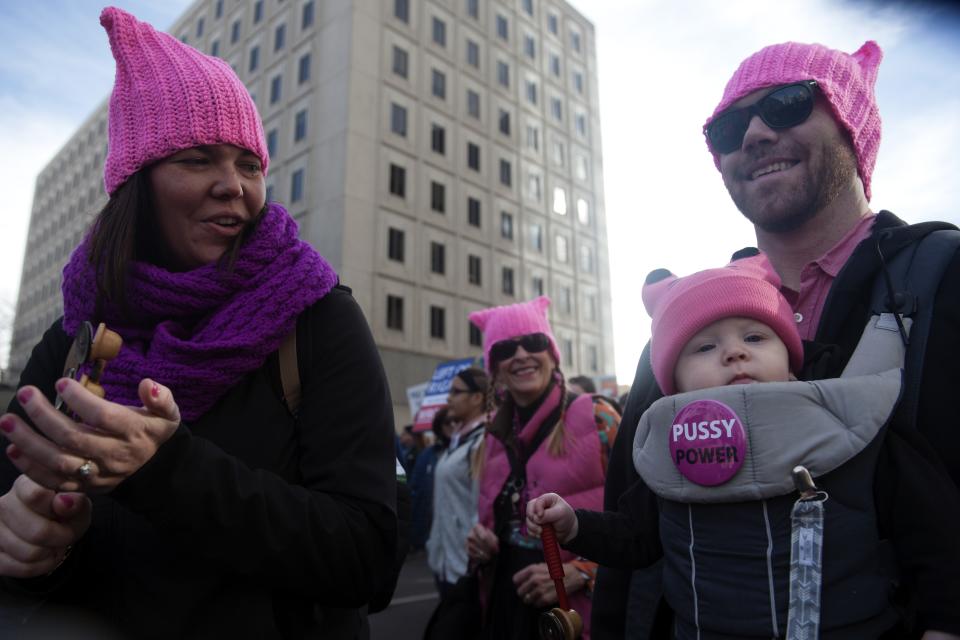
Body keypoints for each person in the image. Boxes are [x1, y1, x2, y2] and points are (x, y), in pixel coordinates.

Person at [0, 7, 396, 639]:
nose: (233, 185)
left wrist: (167, 470)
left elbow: (369, 559)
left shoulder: (319, 318)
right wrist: (34, 549)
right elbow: (31, 549)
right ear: (136, 181)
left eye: (249, 164)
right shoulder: (72, 338)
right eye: (196, 159)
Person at [593, 40, 960, 639]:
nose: (756, 133)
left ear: (851, 125)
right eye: (728, 128)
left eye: (789, 104)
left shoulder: (946, 279)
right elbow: (635, 544)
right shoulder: (681, 326)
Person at [529, 251, 960, 638]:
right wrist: (575, 526)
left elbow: (933, 533)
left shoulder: (853, 423)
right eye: (704, 346)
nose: (734, 353)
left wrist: (943, 624)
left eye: (755, 337)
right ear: (671, 384)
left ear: (791, 361)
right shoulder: (666, 450)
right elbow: (639, 537)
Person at [464, 296, 620, 640]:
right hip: (504, 610)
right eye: (506, 349)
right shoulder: (490, 438)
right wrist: (483, 542)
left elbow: (645, 526)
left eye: (533, 342)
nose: (521, 355)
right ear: (494, 367)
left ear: (551, 353)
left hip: (581, 619)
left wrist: (583, 571)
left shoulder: (600, 418)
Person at [426, 368, 488, 596]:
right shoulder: (458, 440)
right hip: (444, 563)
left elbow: (480, 510)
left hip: (465, 568)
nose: (448, 398)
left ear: (477, 398)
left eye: (456, 391)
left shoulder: (483, 441)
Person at [409, 408, 456, 552]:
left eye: (457, 421)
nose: (452, 425)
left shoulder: (472, 449)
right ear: (439, 426)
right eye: (447, 422)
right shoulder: (427, 455)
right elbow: (416, 489)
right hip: (434, 523)